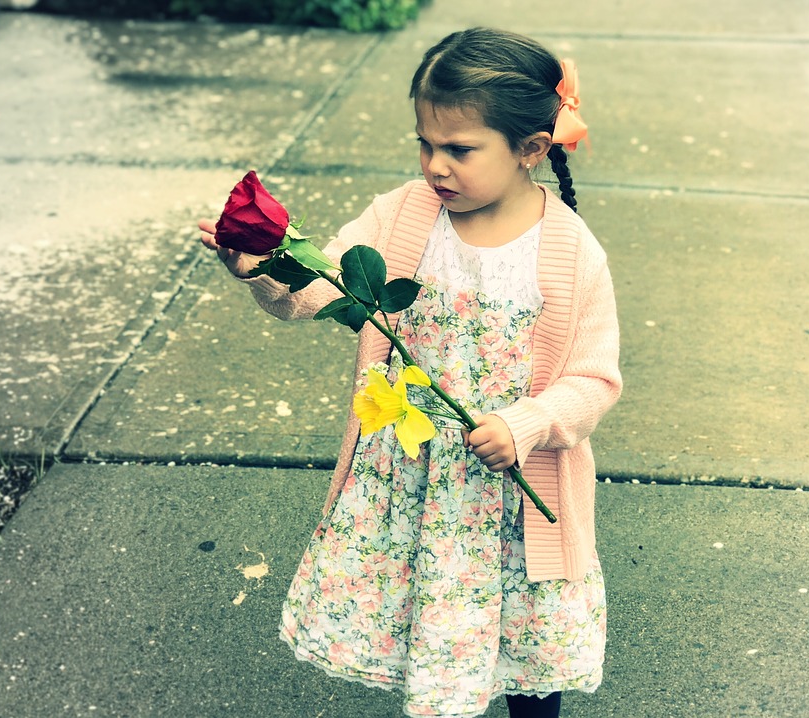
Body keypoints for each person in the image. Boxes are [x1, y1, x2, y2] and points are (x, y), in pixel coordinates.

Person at [198, 27, 621, 718]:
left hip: (511, 498)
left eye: (459, 149)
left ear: (530, 150)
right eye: (426, 144)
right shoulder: (402, 217)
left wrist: (526, 424)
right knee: (429, 632)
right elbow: (323, 288)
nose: (436, 166)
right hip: (412, 476)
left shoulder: (570, 251)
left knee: (527, 646)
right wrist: (265, 267)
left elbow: (593, 379)